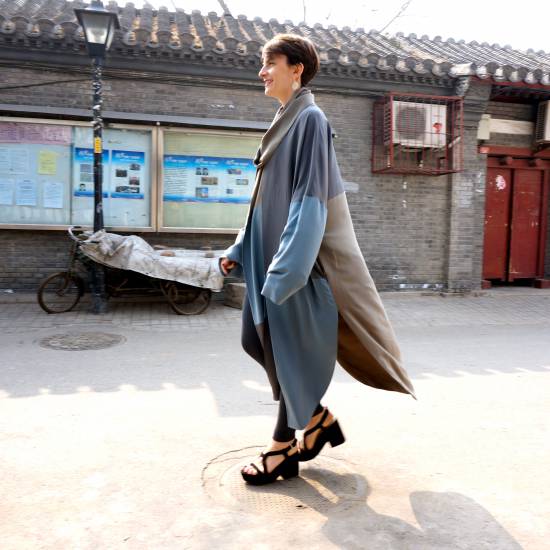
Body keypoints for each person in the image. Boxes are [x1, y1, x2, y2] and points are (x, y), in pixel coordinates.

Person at [219, 33, 416, 486]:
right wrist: (238, 249)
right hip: (269, 263)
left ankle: (281, 450)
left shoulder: (310, 119)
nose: (261, 72)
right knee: (256, 342)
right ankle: (318, 421)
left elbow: (311, 202)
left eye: (270, 63)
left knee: (284, 355)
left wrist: (288, 270)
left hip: (292, 269)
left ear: (296, 69)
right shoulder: (284, 119)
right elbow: (264, 201)